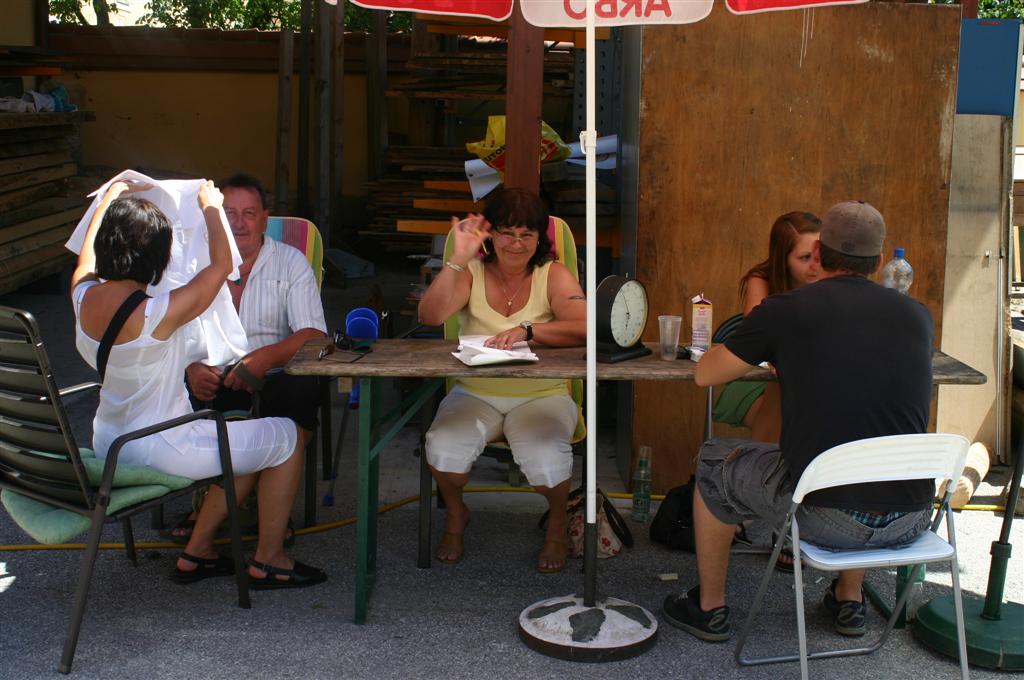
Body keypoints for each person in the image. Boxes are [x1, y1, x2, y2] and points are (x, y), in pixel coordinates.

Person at [662, 201, 934, 640]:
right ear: (881, 262)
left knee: (714, 458)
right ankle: (849, 601)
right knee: (869, 461)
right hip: (912, 521)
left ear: (821, 256)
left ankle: (709, 608)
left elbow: (705, 375)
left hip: (826, 518)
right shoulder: (918, 316)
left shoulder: (788, 309)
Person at [71, 179, 326, 589]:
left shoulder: (82, 297)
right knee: (287, 439)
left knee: (245, 442)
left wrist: (108, 198)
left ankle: (199, 549)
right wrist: (210, 208)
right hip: (164, 445)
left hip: (111, 441)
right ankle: (269, 558)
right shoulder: (158, 311)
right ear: (157, 258)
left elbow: (83, 263)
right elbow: (222, 268)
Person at [417, 188, 586, 573]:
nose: (516, 243)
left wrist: (529, 330)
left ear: (539, 239)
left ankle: (557, 522)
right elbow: (431, 315)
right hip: (475, 393)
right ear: (490, 235)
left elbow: (586, 325)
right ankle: (457, 513)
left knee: (546, 461)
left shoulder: (552, 274)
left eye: (527, 235)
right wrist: (457, 262)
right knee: (442, 447)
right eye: (507, 232)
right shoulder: (472, 272)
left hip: (541, 395)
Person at [175, 173, 327, 541]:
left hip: (273, 374)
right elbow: (167, 333)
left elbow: (313, 334)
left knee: (300, 396)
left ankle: (251, 512)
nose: (239, 223)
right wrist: (191, 368)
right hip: (211, 376)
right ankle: (232, 511)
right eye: (228, 213)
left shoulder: (290, 263)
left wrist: (262, 359)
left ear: (264, 219)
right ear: (214, 218)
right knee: (181, 394)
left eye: (248, 213)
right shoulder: (191, 266)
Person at [712, 211, 821, 444]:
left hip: (807, 380)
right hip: (755, 378)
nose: (815, 266)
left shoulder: (832, 280)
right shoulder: (761, 279)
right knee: (791, 405)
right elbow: (760, 335)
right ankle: (767, 476)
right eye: (804, 258)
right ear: (783, 258)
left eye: (820, 256)